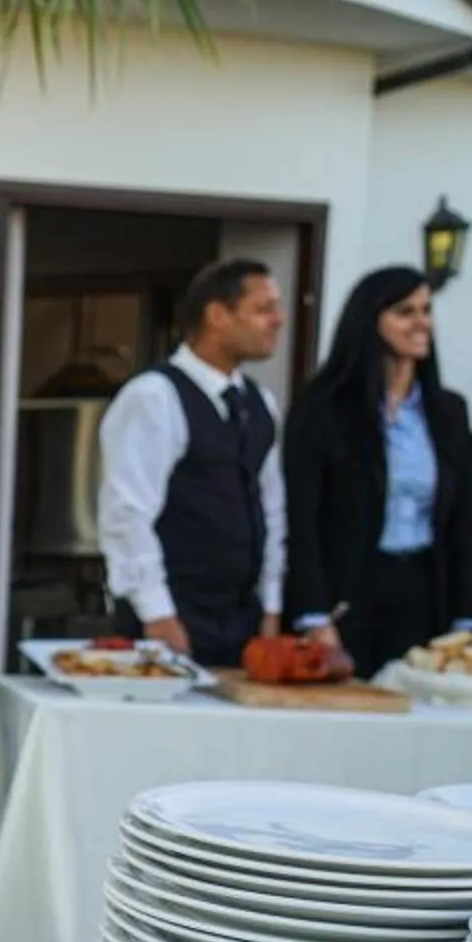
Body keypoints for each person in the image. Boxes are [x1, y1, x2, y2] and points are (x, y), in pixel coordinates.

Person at [281, 266, 472, 675]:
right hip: (350, 591)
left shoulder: (448, 411)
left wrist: (469, 615)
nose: (421, 323)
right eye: (405, 312)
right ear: (370, 320)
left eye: (426, 310)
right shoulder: (322, 409)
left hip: (425, 589)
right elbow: (301, 518)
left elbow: (466, 521)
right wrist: (313, 614)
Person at [96, 259, 290, 666]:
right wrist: (158, 614)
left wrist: (271, 608)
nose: (279, 320)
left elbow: (271, 510)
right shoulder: (154, 397)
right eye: (263, 309)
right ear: (218, 315)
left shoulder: (260, 403)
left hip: (241, 621)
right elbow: (126, 512)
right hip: (172, 616)